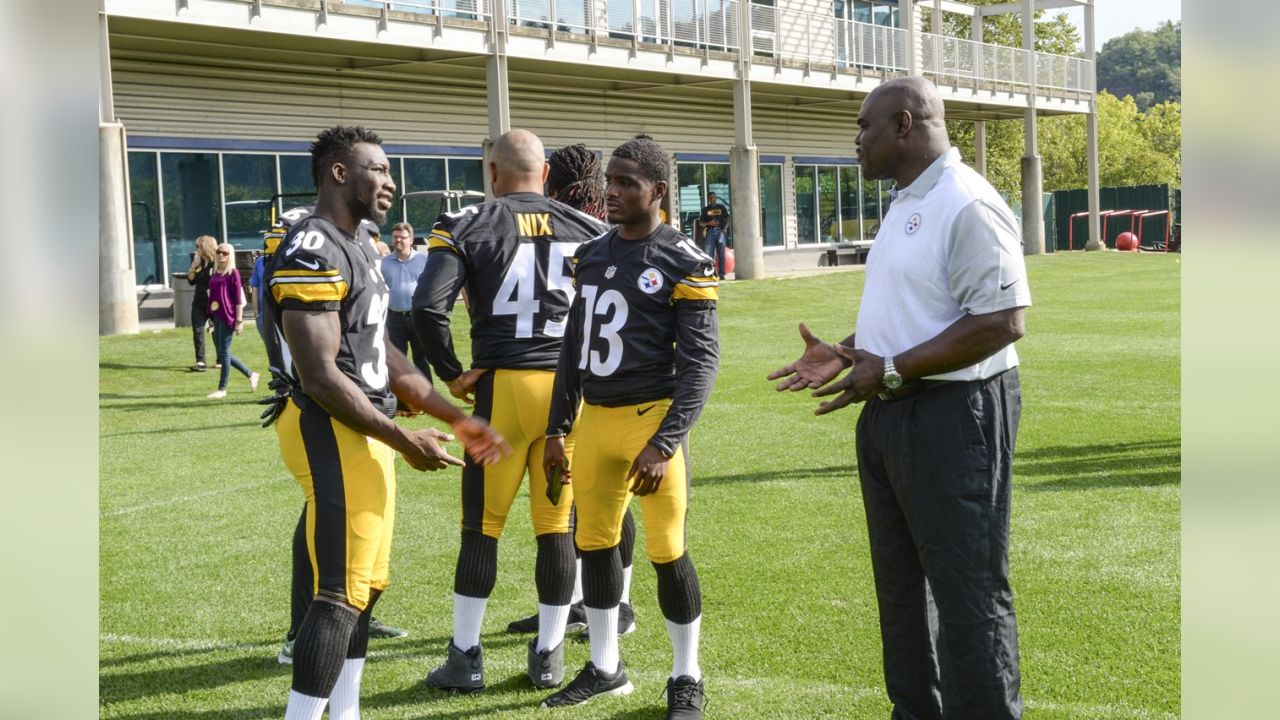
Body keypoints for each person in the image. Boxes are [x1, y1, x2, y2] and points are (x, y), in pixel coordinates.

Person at [767, 76, 1031, 720]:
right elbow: (917, 312)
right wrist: (849, 350)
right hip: (892, 412)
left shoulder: (967, 202)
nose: (856, 140)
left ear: (905, 124)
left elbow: (1002, 319)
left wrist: (891, 370)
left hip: (954, 417)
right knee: (902, 590)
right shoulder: (908, 200)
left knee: (967, 590)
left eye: (864, 127)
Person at [264, 125, 510, 720]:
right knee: (338, 593)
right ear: (339, 173)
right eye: (378, 169)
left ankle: (344, 712)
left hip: (364, 424)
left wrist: (453, 413)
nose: (391, 181)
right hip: (332, 424)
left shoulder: (358, 244)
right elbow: (321, 374)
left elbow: (382, 355)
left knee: (366, 585)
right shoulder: (313, 247)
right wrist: (403, 438)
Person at [413, 130, 609, 693]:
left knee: (481, 528)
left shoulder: (467, 223)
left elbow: (428, 308)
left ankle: (466, 656)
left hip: (501, 390)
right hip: (566, 396)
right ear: (545, 174)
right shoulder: (590, 229)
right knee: (555, 529)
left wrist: (452, 372)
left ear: (492, 174)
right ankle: (548, 655)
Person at [539, 136, 718, 719]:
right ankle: (605, 665)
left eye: (625, 183)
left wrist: (664, 442)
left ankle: (686, 675)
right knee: (593, 546)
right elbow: (573, 347)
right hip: (595, 422)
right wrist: (556, 428)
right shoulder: (591, 253)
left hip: (650, 423)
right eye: (609, 182)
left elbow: (700, 365)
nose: (610, 192)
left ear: (658, 191)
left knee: (668, 551)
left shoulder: (684, 259)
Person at [260, 205, 412, 666]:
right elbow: (312, 358)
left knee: (343, 530)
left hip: (357, 399)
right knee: (327, 519)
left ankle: (343, 617)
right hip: (320, 407)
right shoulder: (308, 244)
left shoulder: (351, 244)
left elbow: (368, 334)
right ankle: (306, 627)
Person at [504, 143, 641, 643]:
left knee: (602, 498)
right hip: (575, 370)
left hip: (587, 376)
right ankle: (575, 601)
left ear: (554, 185)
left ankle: (617, 602)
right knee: (578, 501)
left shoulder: (596, 229)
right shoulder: (581, 225)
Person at [379, 222, 432, 390]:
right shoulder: (383, 263)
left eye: (402, 237)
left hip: (418, 317)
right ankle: (400, 396)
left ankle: (426, 394)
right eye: (395, 237)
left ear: (411, 240)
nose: (398, 241)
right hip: (394, 318)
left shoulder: (424, 260)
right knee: (396, 359)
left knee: (421, 358)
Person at [204, 243, 259, 399]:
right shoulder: (214, 272)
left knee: (224, 354)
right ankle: (251, 374)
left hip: (229, 316)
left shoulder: (233, 273)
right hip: (217, 316)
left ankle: (222, 388)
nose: (221, 255)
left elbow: (238, 299)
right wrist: (212, 319)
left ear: (230, 256)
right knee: (223, 353)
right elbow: (213, 297)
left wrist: (239, 321)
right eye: (219, 252)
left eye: (225, 253)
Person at [186, 234, 217, 371]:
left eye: (197, 246)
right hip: (198, 301)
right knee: (198, 330)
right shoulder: (197, 261)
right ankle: (200, 361)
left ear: (205, 247)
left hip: (215, 302)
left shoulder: (216, 262)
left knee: (217, 331)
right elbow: (191, 281)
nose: (196, 249)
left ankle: (221, 359)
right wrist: (193, 266)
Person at [696, 191, 730, 279]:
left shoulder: (721, 208)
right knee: (709, 254)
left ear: (716, 198)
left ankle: (721, 274)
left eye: (714, 197)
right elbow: (701, 223)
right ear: (708, 199)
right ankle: (711, 273)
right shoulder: (705, 210)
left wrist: (725, 229)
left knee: (721, 254)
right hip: (710, 232)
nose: (713, 199)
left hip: (720, 233)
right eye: (711, 198)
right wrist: (709, 223)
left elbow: (728, 218)